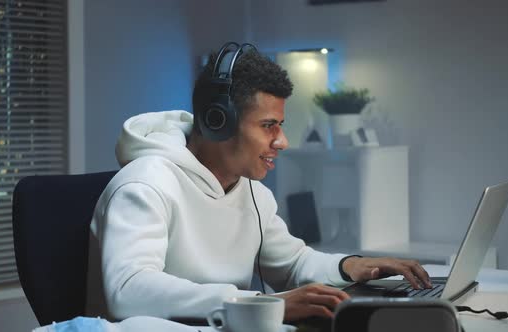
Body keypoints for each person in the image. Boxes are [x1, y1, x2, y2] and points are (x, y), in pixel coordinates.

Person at [90, 42, 431, 323]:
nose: (282, 141)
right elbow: (128, 291)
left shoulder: (253, 192)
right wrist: (258, 303)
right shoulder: (145, 184)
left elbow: (293, 264)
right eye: (269, 125)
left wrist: (353, 265)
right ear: (217, 122)